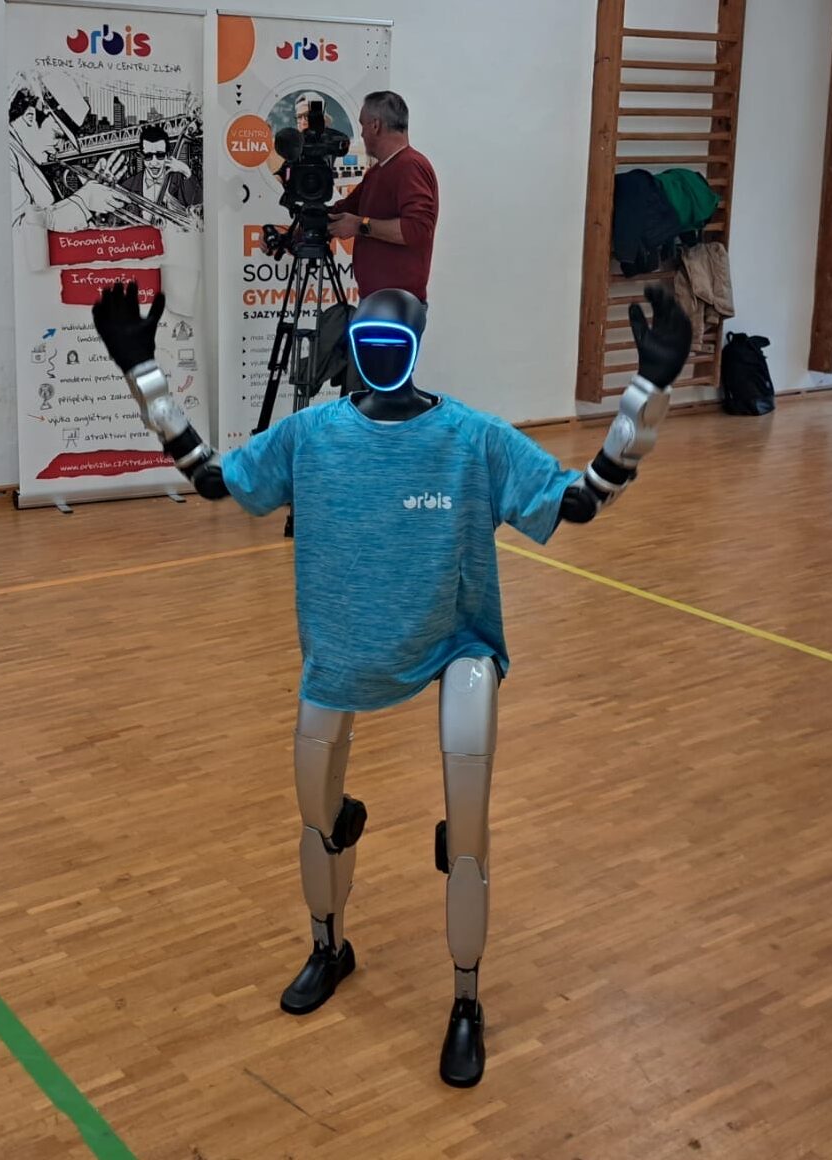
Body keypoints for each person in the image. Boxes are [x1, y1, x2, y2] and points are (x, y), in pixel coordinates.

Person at [88, 276, 692, 1089]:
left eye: (391, 340)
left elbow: (576, 503)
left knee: (466, 828)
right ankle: (327, 944)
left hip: (455, 641)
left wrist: (647, 394)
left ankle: (466, 997)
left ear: (415, 345)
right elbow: (216, 480)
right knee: (316, 817)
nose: (378, 354)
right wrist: (142, 372)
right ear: (350, 349)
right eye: (366, 341)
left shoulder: (472, 438)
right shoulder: (311, 435)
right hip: (341, 650)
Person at [327, 92, 439, 302]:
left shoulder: (410, 166)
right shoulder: (377, 173)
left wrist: (359, 225)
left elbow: (417, 229)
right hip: (377, 301)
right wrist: (290, 236)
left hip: (397, 304)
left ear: (375, 125)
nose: (361, 133)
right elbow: (341, 211)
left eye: (363, 125)